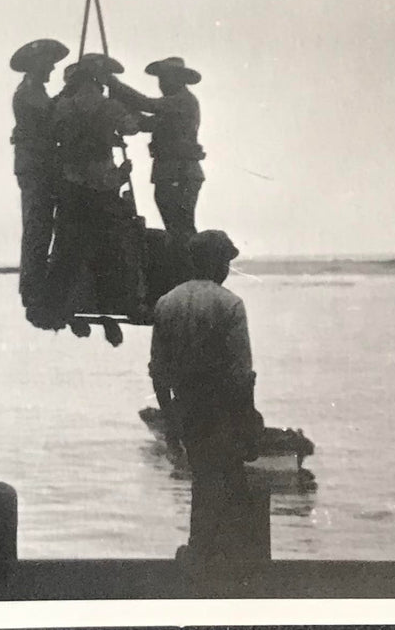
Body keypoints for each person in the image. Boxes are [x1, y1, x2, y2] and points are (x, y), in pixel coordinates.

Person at [149, 229, 263, 570]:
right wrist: (248, 420)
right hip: (223, 410)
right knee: (227, 484)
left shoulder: (166, 302)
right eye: (226, 261)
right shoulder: (229, 304)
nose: (228, 269)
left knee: (204, 481)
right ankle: (218, 561)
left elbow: (158, 371)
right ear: (218, 264)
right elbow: (242, 374)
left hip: (187, 409)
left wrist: (170, 419)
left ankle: (203, 553)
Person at [35, 53, 140, 332]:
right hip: (103, 187)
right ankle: (112, 305)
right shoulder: (110, 106)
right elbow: (132, 127)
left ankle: (54, 306)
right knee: (110, 250)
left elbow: (50, 128)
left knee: (67, 251)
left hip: (72, 186)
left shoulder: (63, 106)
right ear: (100, 80)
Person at [107, 56, 205, 239]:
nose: (162, 83)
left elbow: (146, 104)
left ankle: (189, 264)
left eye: (166, 78)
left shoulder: (183, 101)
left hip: (180, 171)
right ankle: (186, 263)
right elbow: (145, 123)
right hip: (171, 171)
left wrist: (114, 84)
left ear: (179, 79)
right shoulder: (171, 106)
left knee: (181, 227)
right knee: (176, 226)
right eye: (161, 78)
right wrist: (120, 105)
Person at [9, 39, 70, 315]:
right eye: (48, 63)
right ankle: (32, 290)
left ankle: (34, 288)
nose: (52, 68)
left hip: (39, 167)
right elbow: (51, 116)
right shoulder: (28, 92)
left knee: (41, 226)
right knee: (37, 227)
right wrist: (71, 92)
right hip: (35, 168)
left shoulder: (36, 91)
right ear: (35, 64)